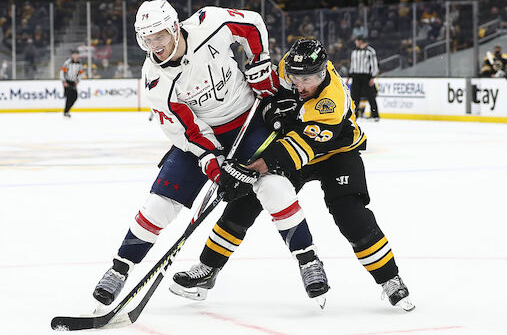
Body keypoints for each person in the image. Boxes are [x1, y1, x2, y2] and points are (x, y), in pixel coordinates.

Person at [90, 0, 329, 310]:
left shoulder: (210, 23)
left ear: (175, 28)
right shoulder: (154, 79)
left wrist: (257, 62)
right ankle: (120, 268)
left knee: (273, 186)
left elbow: (252, 24)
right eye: (147, 40)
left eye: (159, 36)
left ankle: (308, 259)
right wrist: (213, 162)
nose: (155, 46)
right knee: (159, 204)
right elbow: (186, 129)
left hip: (248, 119)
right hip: (200, 138)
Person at [173, 39, 414, 312]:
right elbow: (268, 97)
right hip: (296, 144)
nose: (300, 84)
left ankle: (390, 278)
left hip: (336, 152)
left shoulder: (330, 103)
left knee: (350, 214)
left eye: (307, 79)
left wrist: (250, 168)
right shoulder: (291, 64)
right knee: (245, 201)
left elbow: (296, 149)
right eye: (295, 77)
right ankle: (208, 268)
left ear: (322, 73)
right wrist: (269, 109)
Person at [347, 36, 379, 121]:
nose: (355, 43)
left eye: (356, 41)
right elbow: (352, 65)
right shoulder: (354, 51)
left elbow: (374, 64)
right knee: (354, 97)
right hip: (356, 76)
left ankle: (375, 115)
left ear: (361, 41)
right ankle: (355, 115)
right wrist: (349, 76)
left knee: (371, 96)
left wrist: (373, 77)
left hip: (366, 76)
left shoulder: (370, 51)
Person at [60, 50, 84, 118]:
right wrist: (63, 81)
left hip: (73, 82)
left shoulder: (79, 63)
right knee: (69, 97)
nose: (75, 56)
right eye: (74, 54)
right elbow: (62, 71)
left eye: (76, 54)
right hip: (67, 81)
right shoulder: (68, 62)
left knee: (75, 96)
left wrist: (78, 80)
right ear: (72, 55)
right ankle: (66, 111)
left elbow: (81, 73)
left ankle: (66, 110)